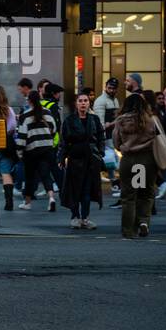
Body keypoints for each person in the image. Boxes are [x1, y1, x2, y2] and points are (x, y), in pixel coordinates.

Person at [112, 92, 159, 238]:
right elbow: (158, 139)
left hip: (129, 160)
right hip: (147, 160)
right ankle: (143, 221)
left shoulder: (120, 121)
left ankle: (128, 231)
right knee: (146, 194)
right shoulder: (151, 120)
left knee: (128, 196)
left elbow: (116, 143)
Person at [59, 91, 104, 230]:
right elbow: (64, 141)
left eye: (85, 100)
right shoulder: (69, 121)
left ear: (89, 103)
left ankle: (85, 218)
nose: (83, 103)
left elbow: (101, 138)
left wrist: (100, 153)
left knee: (86, 190)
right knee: (74, 190)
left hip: (91, 159)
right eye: (80, 101)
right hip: (75, 159)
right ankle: (75, 216)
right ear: (76, 103)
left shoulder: (95, 120)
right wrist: (61, 157)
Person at [14, 91, 58, 212]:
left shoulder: (25, 116)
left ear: (29, 101)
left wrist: (19, 151)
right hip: (47, 148)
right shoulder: (47, 112)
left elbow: (22, 136)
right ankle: (51, 198)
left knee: (29, 177)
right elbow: (53, 128)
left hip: (32, 150)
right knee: (45, 174)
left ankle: (27, 203)